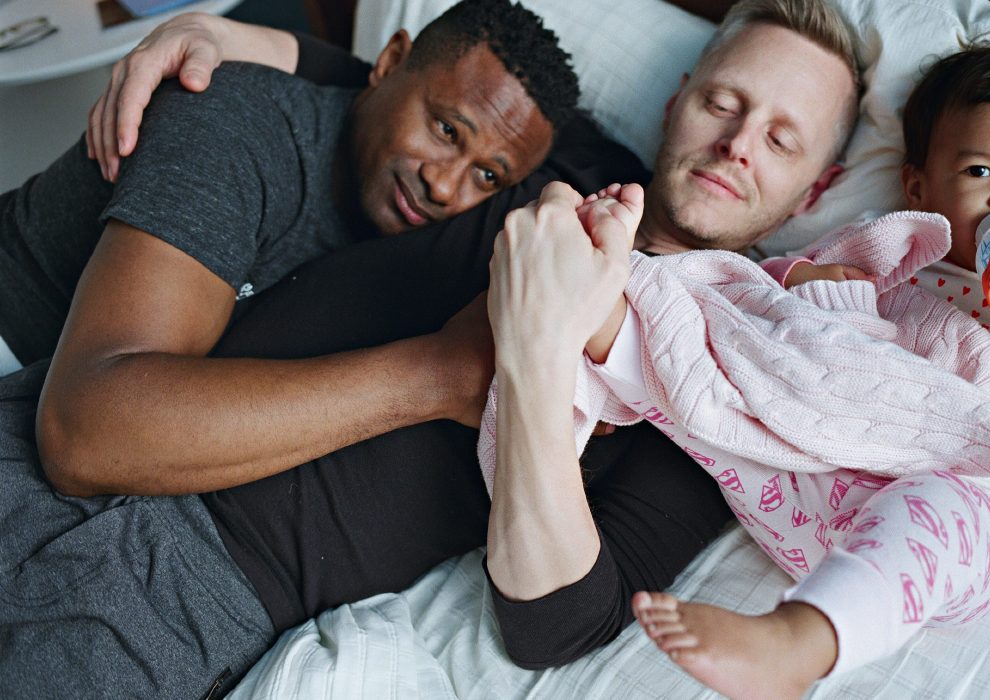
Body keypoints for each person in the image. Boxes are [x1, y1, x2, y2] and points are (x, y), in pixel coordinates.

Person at [0, 0, 861, 697]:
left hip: (188, 594)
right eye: (723, 103)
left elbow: (558, 623)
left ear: (815, 189)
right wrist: (228, 37)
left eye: (782, 139)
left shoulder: (735, 378)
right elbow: (422, 93)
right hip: (81, 416)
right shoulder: (562, 165)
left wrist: (523, 365)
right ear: (677, 103)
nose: (736, 144)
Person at [530, 47, 990, 699]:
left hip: (936, 512)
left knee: (961, 517)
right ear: (919, 188)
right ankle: (606, 312)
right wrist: (819, 285)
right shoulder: (891, 256)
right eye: (980, 169)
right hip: (806, 477)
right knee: (716, 381)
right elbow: (781, 332)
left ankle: (800, 639)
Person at [0, 0, 576, 498]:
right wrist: (435, 377)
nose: (445, 187)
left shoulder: (425, 216)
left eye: (487, 177)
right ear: (390, 62)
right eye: (447, 131)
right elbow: (85, 433)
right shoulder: (234, 127)